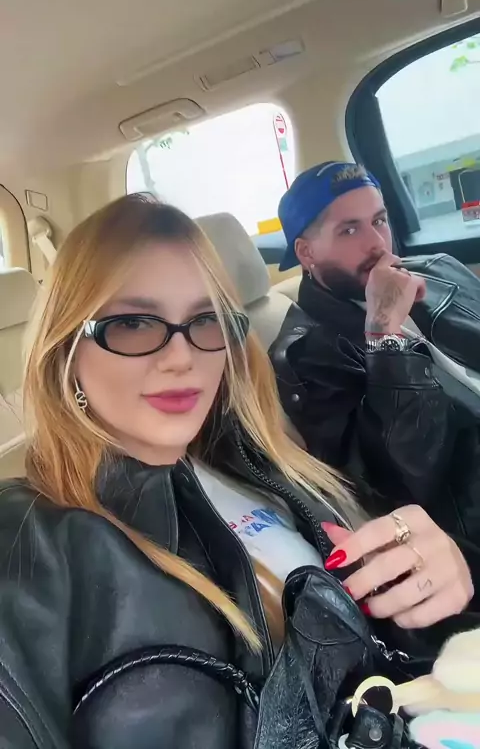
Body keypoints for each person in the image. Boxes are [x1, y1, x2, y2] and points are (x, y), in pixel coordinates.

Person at [0, 194, 477, 748]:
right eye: (132, 323)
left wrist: (443, 587)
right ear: (65, 350)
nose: (182, 357)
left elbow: (389, 649)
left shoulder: (264, 464)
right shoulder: (28, 540)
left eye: (205, 320)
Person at [270, 160, 480, 544]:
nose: (378, 244)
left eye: (379, 221)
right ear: (306, 252)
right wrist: (385, 333)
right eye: (349, 230)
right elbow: (406, 483)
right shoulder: (305, 359)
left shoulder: (439, 268)